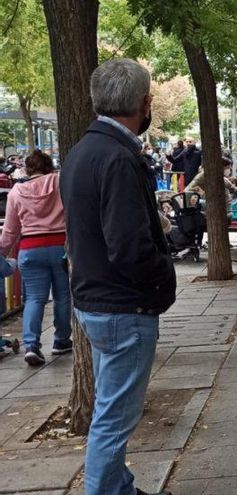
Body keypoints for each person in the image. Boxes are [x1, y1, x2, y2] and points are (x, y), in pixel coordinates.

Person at [59, 58, 175, 495]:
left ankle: (117, 485)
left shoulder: (83, 151)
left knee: (112, 408)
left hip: (97, 301)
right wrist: (162, 278)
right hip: (123, 306)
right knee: (114, 415)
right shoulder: (117, 158)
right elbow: (130, 246)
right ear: (144, 103)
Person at [0, 150, 71, 366]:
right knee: (62, 296)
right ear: (49, 166)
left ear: (28, 168)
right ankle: (61, 341)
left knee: (34, 298)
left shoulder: (16, 191)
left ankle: (31, 345)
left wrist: (2, 252)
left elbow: (11, 230)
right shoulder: (60, 183)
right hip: (60, 245)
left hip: (30, 248)